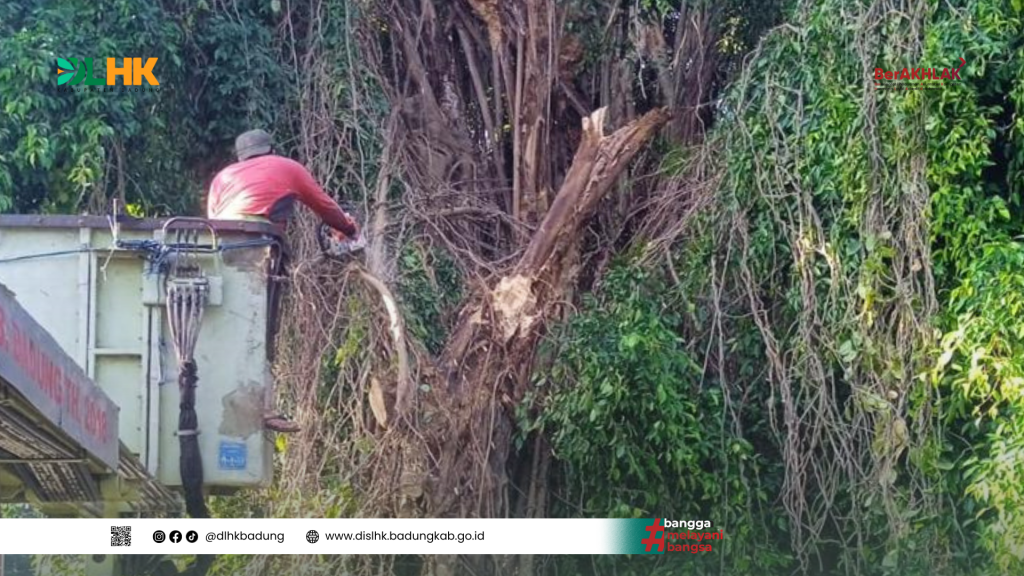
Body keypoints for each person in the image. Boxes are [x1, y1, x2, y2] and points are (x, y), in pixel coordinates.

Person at [207, 129, 361, 434]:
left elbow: (214, 218)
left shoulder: (222, 178)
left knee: (229, 324)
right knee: (261, 326)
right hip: (259, 248)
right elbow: (325, 206)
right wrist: (349, 229)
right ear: (269, 149)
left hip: (220, 252)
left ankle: (222, 398)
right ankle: (264, 407)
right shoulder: (287, 167)